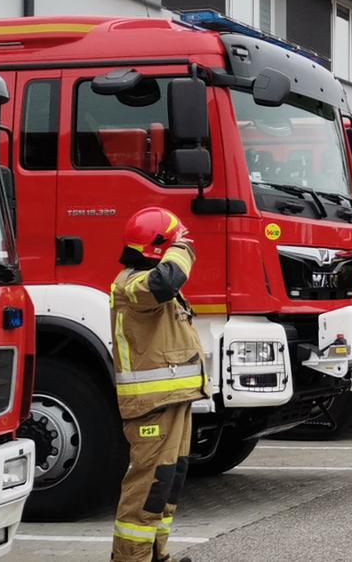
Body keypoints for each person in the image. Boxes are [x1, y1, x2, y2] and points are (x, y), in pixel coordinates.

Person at [109, 208, 204, 562]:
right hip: (151, 406)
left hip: (172, 401)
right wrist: (182, 247)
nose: (185, 245)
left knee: (168, 482)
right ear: (159, 246)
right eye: (175, 241)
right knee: (147, 487)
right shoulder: (132, 285)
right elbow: (165, 281)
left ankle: (155, 554)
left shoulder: (148, 287)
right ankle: (130, 558)